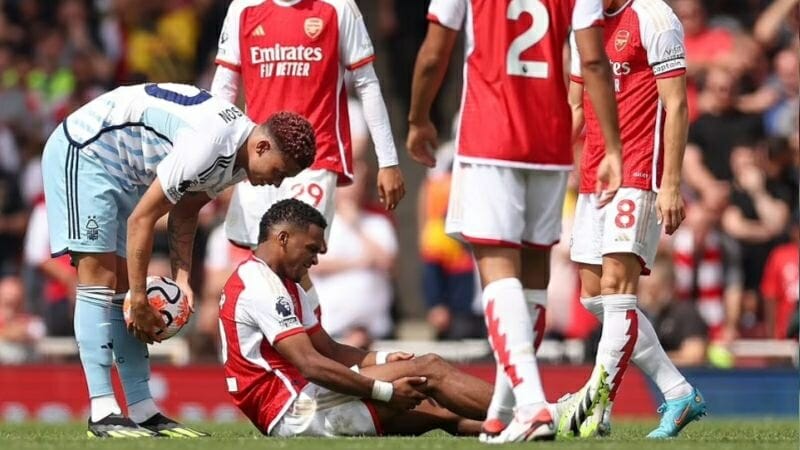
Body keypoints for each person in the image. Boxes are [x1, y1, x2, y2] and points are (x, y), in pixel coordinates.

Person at [41, 82, 316, 438]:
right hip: (87, 150)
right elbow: (142, 220)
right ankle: (103, 410)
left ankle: (143, 410)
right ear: (262, 146)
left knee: (121, 287)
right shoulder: (211, 145)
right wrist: (140, 298)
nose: (276, 183)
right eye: (279, 171)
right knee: (101, 280)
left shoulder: (239, 158)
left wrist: (181, 279)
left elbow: (185, 210)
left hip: (125, 171)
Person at [406, 0, 624, 442]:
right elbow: (594, 61)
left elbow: (433, 52)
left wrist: (418, 119)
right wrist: (613, 147)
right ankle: (502, 410)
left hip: (490, 138)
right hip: (550, 141)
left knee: (498, 270)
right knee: (533, 274)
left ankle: (531, 405)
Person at [220, 199, 494, 437]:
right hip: (291, 408)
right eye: (311, 249)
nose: (315, 260)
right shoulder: (260, 285)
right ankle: (516, 412)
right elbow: (311, 364)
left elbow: (330, 350)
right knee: (430, 368)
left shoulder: (282, 283)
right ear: (283, 238)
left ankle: (516, 429)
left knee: (446, 413)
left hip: (301, 401)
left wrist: (384, 359)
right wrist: (386, 391)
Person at [565, 0, 705, 439]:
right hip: (594, 174)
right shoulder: (583, 18)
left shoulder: (654, 17)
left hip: (639, 171)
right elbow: (575, 103)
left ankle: (595, 405)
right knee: (593, 295)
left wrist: (671, 182)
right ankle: (679, 392)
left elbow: (676, 105)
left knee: (616, 290)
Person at [210, 0, 405, 312]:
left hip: (315, 161)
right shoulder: (244, 8)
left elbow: (367, 83)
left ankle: (303, 337)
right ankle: (293, 335)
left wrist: (388, 161)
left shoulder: (338, 8)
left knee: (292, 255)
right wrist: (214, 156)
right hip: (259, 163)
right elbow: (224, 85)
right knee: (264, 263)